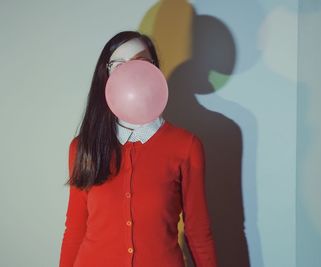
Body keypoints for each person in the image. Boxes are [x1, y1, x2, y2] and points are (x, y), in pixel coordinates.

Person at [59, 30, 218, 267]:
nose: (130, 71)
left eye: (140, 62)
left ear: (154, 70)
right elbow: (75, 229)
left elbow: (198, 232)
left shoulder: (186, 146)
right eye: (119, 64)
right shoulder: (83, 147)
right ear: (107, 73)